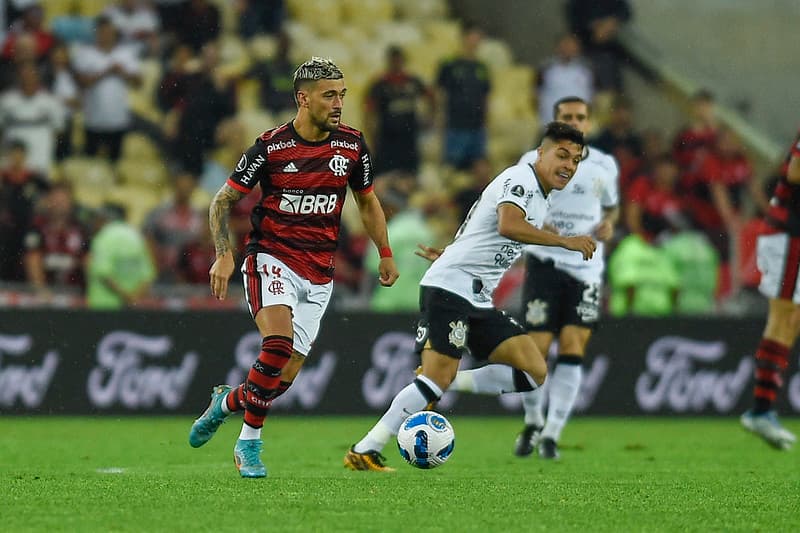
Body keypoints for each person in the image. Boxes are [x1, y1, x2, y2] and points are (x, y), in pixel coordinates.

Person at [188, 57, 399, 478]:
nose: (338, 104)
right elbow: (223, 201)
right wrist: (224, 252)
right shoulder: (271, 147)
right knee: (277, 346)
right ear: (303, 98)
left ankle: (226, 403)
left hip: (319, 272)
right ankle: (249, 444)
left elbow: (367, 200)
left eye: (342, 95)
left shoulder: (352, 145)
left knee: (281, 378)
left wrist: (385, 250)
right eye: (329, 95)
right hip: (271, 257)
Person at [344, 121, 596, 472]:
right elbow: (508, 225)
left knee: (534, 370)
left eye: (576, 160)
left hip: (476, 296)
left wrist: (452, 252)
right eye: (562, 155)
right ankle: (365, 449)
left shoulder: (541, 197)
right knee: (435, 380)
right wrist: (565, 242)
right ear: (541, 153)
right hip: (451, 288)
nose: (569, 165)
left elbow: (484, 228)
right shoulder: (521, 179)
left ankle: (448, 380)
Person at [449, 97, 619, 460]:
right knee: (537, 348)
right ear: (555, 123)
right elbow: (515, 213)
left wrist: (609, 224)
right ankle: (532, 421)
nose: (575, 122)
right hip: (545, 264)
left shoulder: (605, 165)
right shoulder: (532, 162)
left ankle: (552, 434)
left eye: (581, 117)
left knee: (573, 347)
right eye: (567, 117)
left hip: (587, 269)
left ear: (589, 123)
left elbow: (611, 206)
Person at [740, 130, 800, 450]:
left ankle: (762, 410)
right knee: (782, 316)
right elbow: (795, 171)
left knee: (791, 321)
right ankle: (760, 411)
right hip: (789, 232)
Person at [364, 45, 433, 175]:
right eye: (394, 60)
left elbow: (431, 97)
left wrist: (429, 118)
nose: (397, 64)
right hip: (386, 138)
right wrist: (371, 136)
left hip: (409, 137)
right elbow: (369, 111)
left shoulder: (412, 81)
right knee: (384, 175)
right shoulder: (380, 84)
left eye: (399, 60)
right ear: (389, 61)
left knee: (409, 175)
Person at [436, 21, 491, 170]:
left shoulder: (482, 67)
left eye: (478, 37)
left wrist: (486, 123)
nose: (476, 40)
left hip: (477, 127)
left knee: (479, 168)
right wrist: (440, 121)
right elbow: (441, 94)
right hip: (455, 126)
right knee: (452, 169)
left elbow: (485, 97)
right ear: (464, 37)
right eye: (473, 36)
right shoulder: (449, 65)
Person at [86, 204, 156, 309]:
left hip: (104, 306)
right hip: (133, 306)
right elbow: (148, 275)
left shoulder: (104, 237)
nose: (93, 223)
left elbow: (103, 273)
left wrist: (125, 297)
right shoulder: (136, 236)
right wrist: (133, 298)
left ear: (105, 219)